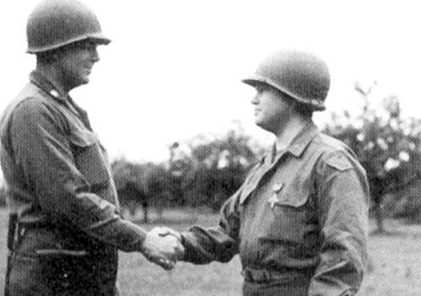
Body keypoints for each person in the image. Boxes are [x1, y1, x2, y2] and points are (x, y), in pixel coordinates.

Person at [0, 0, 183, 296]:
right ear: (57, 50)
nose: (96, 57)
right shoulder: (33, 110)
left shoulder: (62, 108)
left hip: (76, 272)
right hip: (54, 279)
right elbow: (67, 200)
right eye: (87, 46)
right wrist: (142, 239)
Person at [153, 49, 369, 296]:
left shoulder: (330, 162)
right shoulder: (265, 166)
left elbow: (345, 255)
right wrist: (181, 243)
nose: (254, 100)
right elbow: (227, 233)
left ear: (290, 95)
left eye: (262, 90)